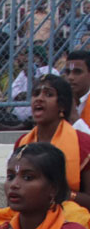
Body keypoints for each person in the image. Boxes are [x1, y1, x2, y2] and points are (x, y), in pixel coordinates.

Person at [14, 75, 90, 210]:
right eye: (36, 94)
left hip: (71, 217)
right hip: (29, 218)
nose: (39, 98)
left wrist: (64, 195)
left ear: (62, 105)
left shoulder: (83, 143)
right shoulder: (22, 143)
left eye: (48, 94)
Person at [64, 49, 90, 130]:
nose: (70, 77)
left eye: (77, 72)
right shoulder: (60, 101)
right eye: (68, 72)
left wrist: (75, 119)